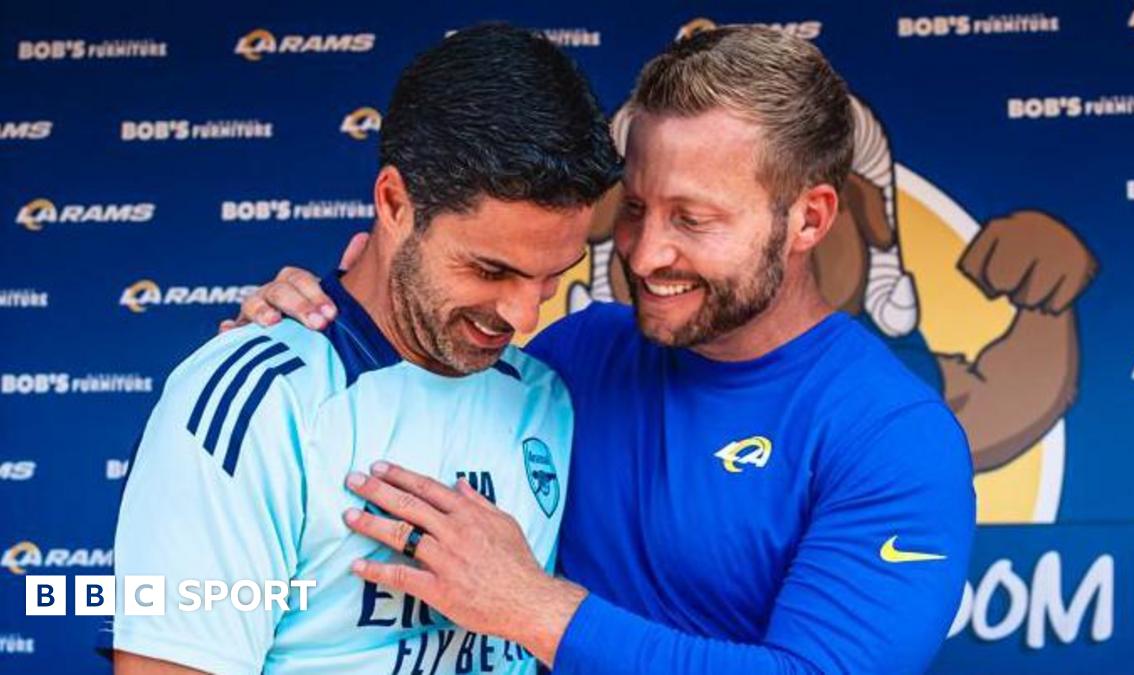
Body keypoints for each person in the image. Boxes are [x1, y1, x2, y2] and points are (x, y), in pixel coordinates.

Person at [233, 26, 975, 674]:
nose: (645, 254)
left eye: (693, 218)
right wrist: (301, 318)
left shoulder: (894, 437)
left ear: (808, 219)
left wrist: (533, 607)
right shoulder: (578, 353)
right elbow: (406, 359)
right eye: (637, 208)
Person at [106, 23, 619, 674]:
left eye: (551, 276)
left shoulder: (547, 396)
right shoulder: (259, 400)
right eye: (491, 270)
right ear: (394, 202)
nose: (523, 315)